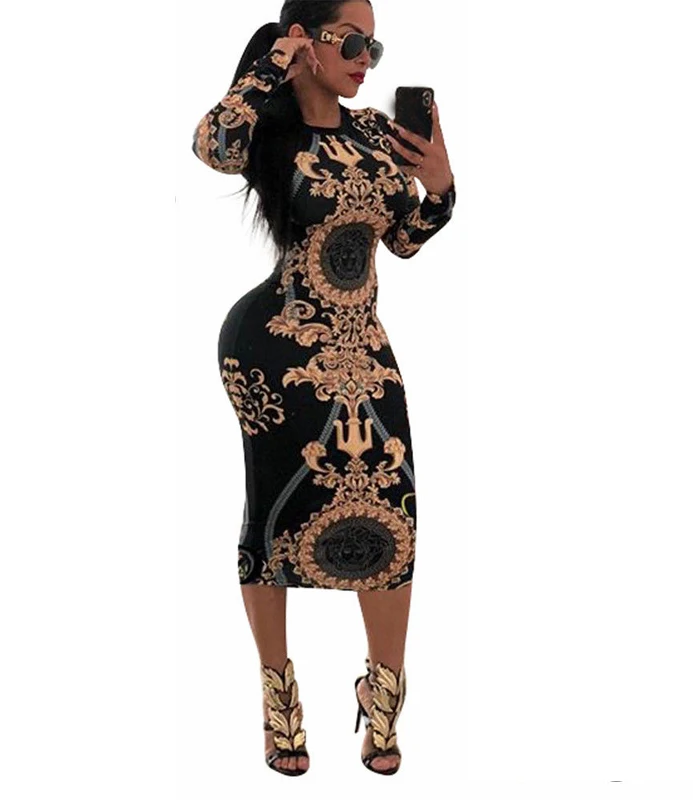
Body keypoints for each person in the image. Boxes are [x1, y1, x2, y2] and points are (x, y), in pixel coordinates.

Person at [191, 0, 455, 776]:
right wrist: (273, 60)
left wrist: (440, 189)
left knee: (394, 513)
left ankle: (384, 695)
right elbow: (212, 144)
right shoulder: (266, 131)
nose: (366, 58)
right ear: (306, 41)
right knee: (272, 517)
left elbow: (402, 241)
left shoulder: (373, 130)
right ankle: (279, 696)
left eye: (375, 45)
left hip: (364, 349)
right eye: (352, 41)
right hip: (271, 348)